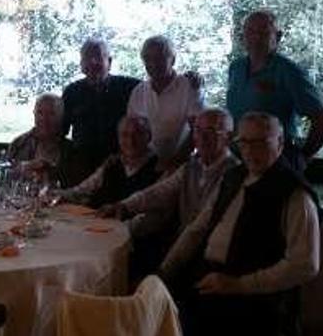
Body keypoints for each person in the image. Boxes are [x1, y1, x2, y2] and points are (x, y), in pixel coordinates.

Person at [159, 112, 320, 336]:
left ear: (280, 143)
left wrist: (238, 285)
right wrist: (164, 271)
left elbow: (305, 265)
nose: (250, 150)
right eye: (244, 142)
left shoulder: (294, 194)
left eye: (261, 142)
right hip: (208, 281)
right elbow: (198, 228)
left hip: (254, 301)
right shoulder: (233, 177)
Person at [99, 108, 240, 235]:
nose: (201, 138)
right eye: (197, 130)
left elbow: (199, 229)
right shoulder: (190, 167)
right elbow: (158, 192)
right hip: (181, 244)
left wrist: (168, 264)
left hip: (210, 252)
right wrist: (123, 206)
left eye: (210, 131)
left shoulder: (235, 173)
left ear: (229, 136)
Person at [226, 10, 323, 169]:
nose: (256, 37)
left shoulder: (288, 71)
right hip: (239, 162)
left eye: (263, 32)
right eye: (250, 31)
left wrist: (301, 159)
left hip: (275, 164)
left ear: (278, 36)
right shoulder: (236, 68)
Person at [62, 38, 140, 182]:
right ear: (81, 64)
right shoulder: (71, 92)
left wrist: (189, 81)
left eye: (98, 56)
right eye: (87, 57)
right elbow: (60, 131)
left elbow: (159, 84)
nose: (92, 62)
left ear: (109, 62)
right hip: (82, 168)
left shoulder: (131, 87)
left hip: (120, 167)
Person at [127, 36, 204, 171]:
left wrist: (173, 163)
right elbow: (132, 132)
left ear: (173, 60)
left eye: (159, 58)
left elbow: (197, 130)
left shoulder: (190, 86)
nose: (153, 64)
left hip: (182, 164)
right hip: (147, 164)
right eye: (148, 59)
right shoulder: (139, 91)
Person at [60, 115, 159, 209]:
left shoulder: (159, 167)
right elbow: (80, 191)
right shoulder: (112, 164)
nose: (130, 140)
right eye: (125, 135)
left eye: (138, 134)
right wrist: (54, 194)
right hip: (96, 223)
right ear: (118, 138)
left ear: (149, 136)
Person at [4, 93, 76, 186]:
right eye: (40, 113)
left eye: (51, 114)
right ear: (34, 114)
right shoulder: (19, 143)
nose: (44, 119)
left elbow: (77, 188)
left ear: (61, 116)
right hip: (20, 199)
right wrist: (20, 170)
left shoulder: (71, 150)